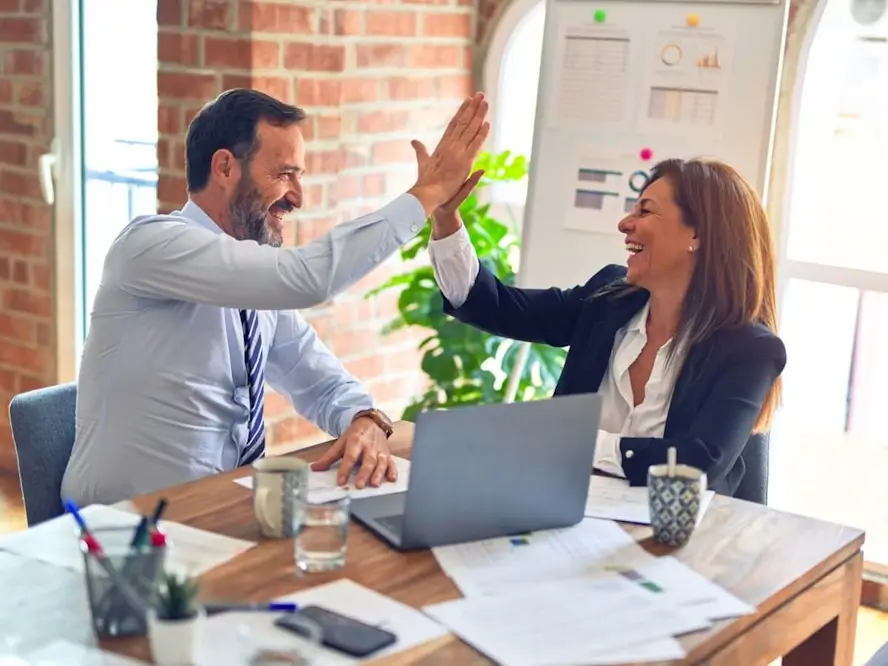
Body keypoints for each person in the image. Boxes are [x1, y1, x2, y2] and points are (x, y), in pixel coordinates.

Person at [61, 88, 489, 506]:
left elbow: (319, 379)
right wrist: (427, 194)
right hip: (121, 529)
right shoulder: (151, 246)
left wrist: (364, 419)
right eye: (285, 174)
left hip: (219, 511)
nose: (297, 197)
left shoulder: (253, 286)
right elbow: (308, 278)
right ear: (226, 168)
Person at [426, 157, 786, 496]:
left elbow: (697, 462)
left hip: (678, 541)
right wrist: (445, 218)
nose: (625, 223)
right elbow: (494, 305)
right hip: (566, 513)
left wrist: (575, 442)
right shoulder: (608, 299)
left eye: (645, 211)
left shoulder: (750, 349)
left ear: (698, 236)